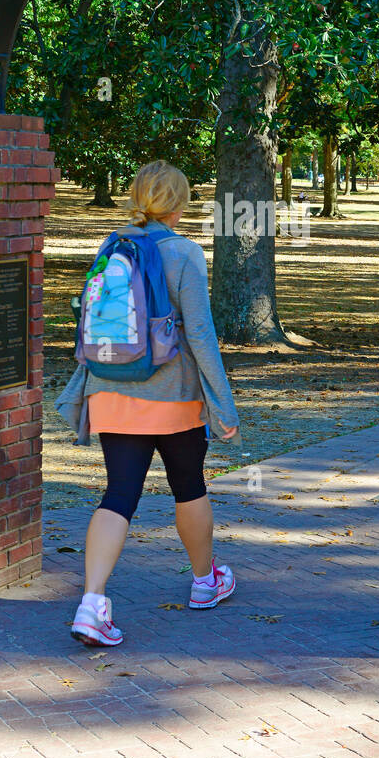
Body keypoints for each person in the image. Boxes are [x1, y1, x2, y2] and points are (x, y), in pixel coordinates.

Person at [70, 160, 240, 648]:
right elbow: (201, 334)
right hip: (173, 394)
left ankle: (93, 603)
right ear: (180, 204)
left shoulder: (113, 244)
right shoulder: (185, 252)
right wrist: (223, 406)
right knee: (188, 484)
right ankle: (206, 581)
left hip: (112, 388)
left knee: (119, 491)